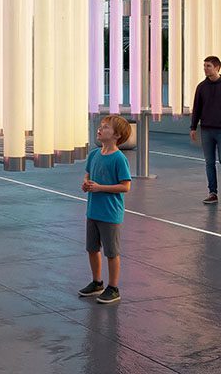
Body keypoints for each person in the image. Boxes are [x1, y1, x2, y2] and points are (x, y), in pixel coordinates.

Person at [78, 115, 132, 305]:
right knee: (92, 249)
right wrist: (86, 184)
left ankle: (113, 287)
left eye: (106, 127)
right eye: (100, 126)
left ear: (116, 135)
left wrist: (100, 188)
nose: (100, 129)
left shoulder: (119, 159)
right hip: (93, 211)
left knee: (111, 252)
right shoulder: (93, 154)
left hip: (110, 214)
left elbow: (125, 186)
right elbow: (87, 175)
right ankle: (97, 282)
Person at [190, 56, 221, 204]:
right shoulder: (201, 87)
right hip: (206, 130)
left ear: (217, 68)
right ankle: (213, 193)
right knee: (209, 162)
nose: (205, 68)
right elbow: (196, 108)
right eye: (204, 66)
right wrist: (193, 127)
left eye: (208, 66)